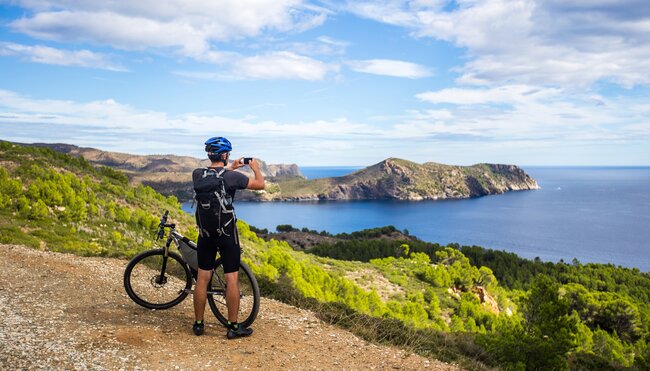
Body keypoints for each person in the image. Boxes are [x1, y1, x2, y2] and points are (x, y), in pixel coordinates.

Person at [191, 136, 265, 339]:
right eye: (228, 154)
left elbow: (216, 177)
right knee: (231, 278)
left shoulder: (197, 174)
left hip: (205, 234)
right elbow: (260, 185)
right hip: (226, 234)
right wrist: (255, 167)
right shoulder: (232, 178)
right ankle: (233, 327)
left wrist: (230, 166)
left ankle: (198, 324)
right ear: (224, 155)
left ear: (209, 154)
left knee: (202, 278)